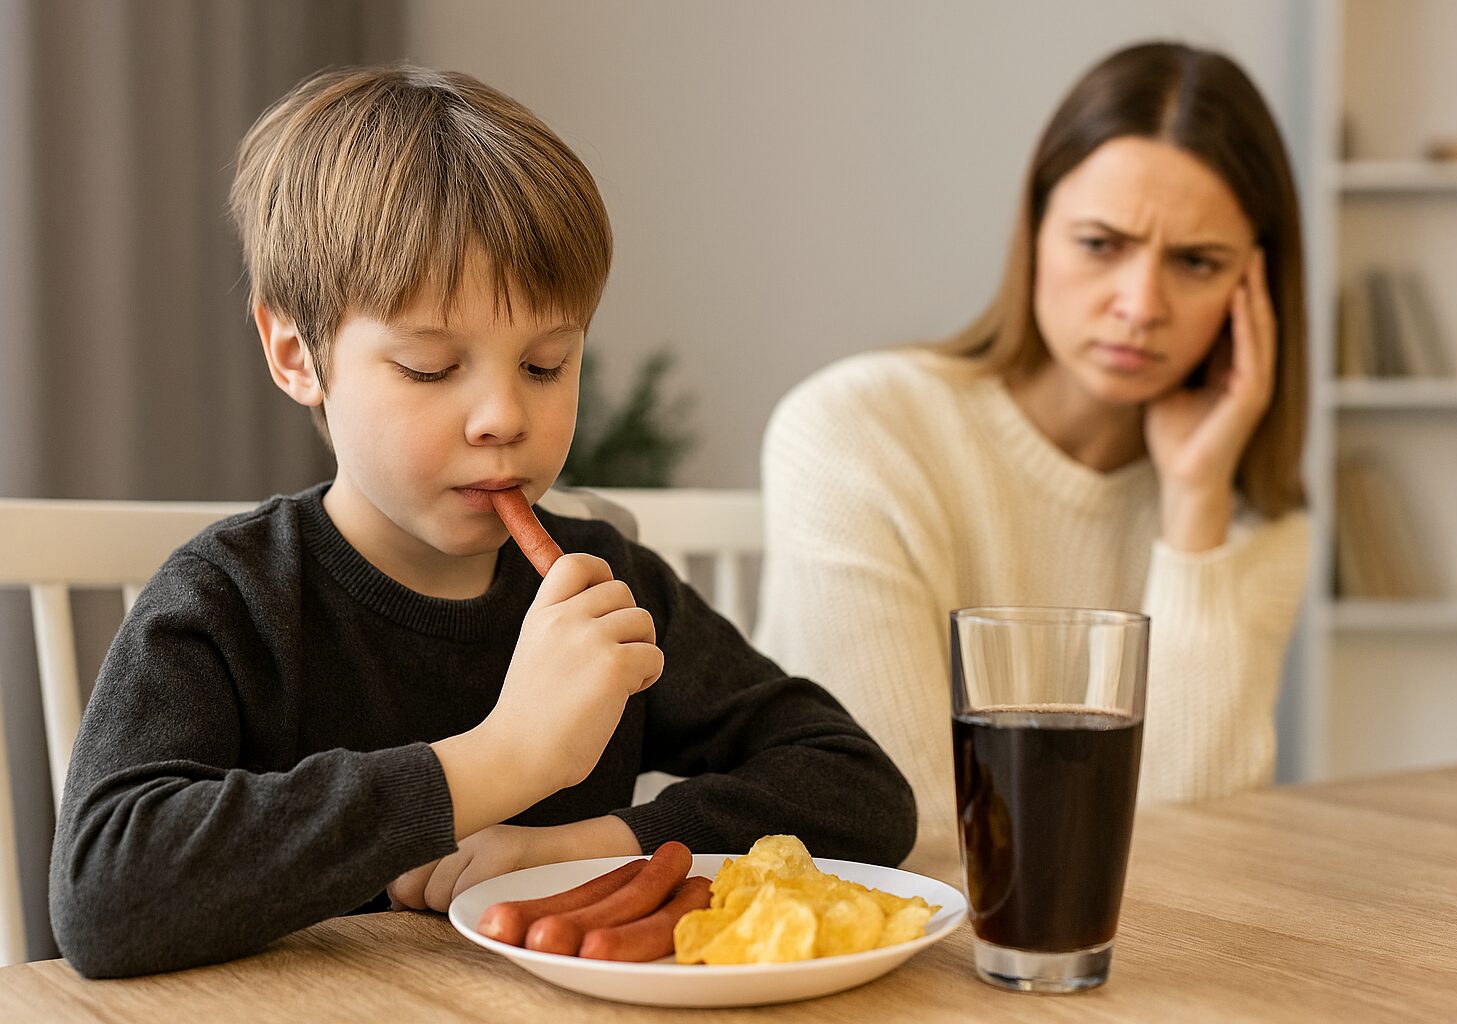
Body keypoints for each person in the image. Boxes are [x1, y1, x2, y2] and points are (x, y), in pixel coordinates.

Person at [48, 64, 915, 979]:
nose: (504, 416)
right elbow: (104, 897)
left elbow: (860, 789)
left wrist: (589, 845)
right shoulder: (233, 597)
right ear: (298, 355)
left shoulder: (605, 583)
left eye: (546, 365)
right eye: (430, 367)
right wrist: (497, 762)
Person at [756, 42, 1311, 883]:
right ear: (1036, 233)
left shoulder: (1254, 523)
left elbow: (1207, 853)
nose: (1141, 306)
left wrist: (1195, 505)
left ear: (1256, 288)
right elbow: (910, 833)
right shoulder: (857, 432)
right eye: (1101, 243)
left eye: (1196, 262)